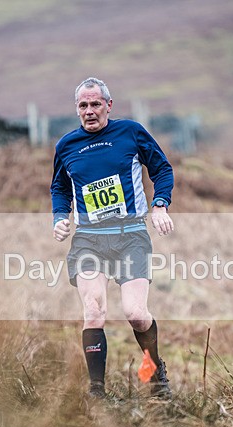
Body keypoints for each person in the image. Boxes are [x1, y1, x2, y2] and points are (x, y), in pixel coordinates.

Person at [51, 77, 175, 399]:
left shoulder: (130, 133)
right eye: (83, 105)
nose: (89, 111)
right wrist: (60, 217)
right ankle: (97, 393)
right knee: (93, 311)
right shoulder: (66, 146)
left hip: (130, 234)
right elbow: (60, 188)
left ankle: (155, 370)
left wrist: (159, 205)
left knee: (135, 313)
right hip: (89, 239)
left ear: (109, 105)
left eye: (95, 104)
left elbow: (162, 169)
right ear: (76, 109)